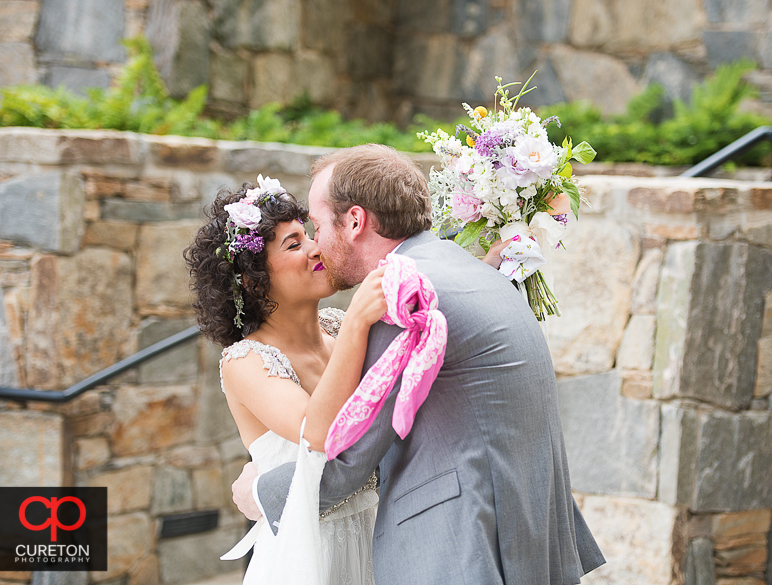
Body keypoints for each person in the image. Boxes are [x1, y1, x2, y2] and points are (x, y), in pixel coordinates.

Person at [232, 145, 606, 584]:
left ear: (354, 221)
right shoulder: (474, 272)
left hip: (464, 546)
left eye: (316, 225)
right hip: (525, 532)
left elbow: (350, 458)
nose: (317, 245)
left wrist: (259, 491)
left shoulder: (404, 296)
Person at [184, 177, 390, 585]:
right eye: (294, 245)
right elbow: (319, 431)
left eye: (308, 234)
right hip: (311, 557)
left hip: (383, 538)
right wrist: (358, 324)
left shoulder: (339, 327)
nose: (317, 247)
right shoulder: (245, 362)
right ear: (252, 281)